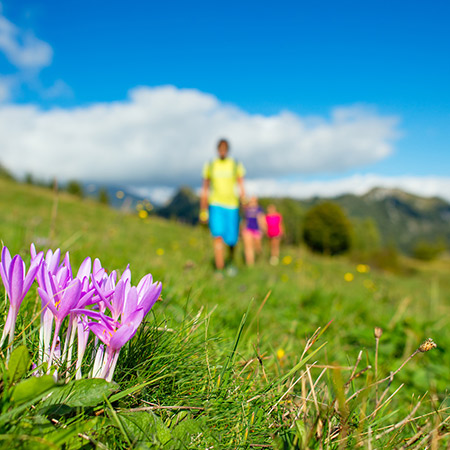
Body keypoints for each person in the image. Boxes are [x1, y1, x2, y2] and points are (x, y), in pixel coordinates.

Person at [200, 139, 246, 274]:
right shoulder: (211, 165)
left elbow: (241, 184)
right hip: (215, 204)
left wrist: (244, 199)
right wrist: (203, 209)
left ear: (228, 149)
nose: (222, 150)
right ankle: (219, 269)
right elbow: (205, 188)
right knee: (218, 236)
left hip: (232, 205)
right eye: (220, 148)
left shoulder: (235, 164)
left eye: (225, 148)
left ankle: (230, 261)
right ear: (217, 149)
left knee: (232, 240)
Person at [242, 196, 265, 266]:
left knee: (258, 247)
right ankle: (250, 264)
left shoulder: (259, 209)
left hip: (257, 230)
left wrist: (263, 229)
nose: (252, 202)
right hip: (248, 230)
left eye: (254, 201)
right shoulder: (246, 209)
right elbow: (244, 221)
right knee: (248, 247)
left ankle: (259, 257)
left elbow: (262, 220)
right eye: (251, 201)